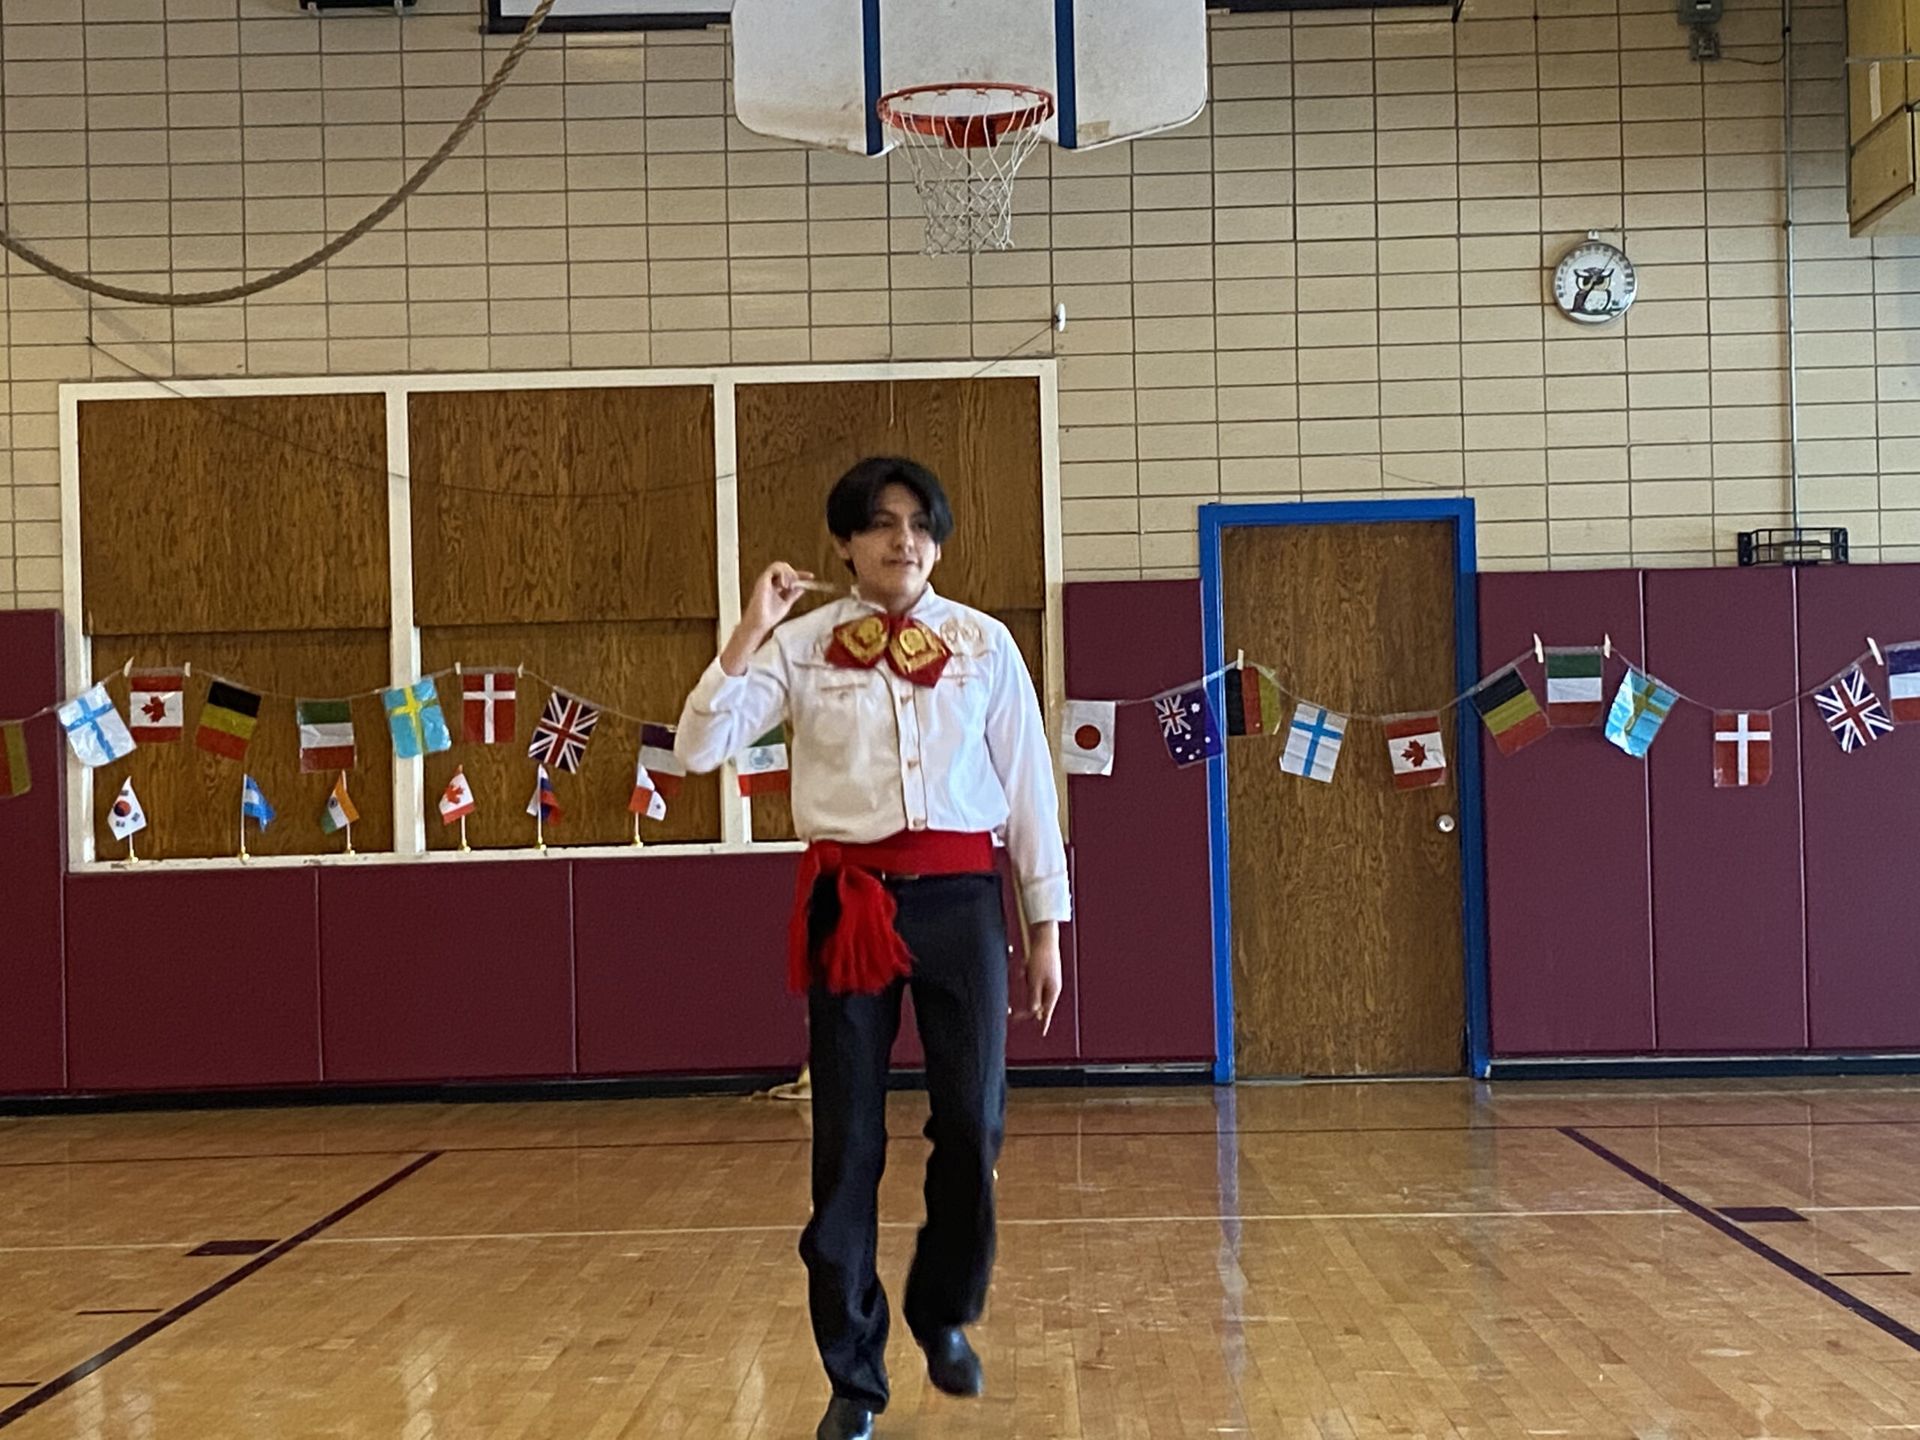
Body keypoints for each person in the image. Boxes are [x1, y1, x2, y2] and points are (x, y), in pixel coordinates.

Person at [675, 456, 1070, 1440]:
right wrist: (749, 631)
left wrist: (1045, 925)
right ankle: (853, 1376)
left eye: (922, 526)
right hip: (847, 902)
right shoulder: (802, 646)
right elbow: (696, 749)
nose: (906, 541)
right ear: (845, 542)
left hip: (962, 904)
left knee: (972, 1124)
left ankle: (942, 1313)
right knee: (847, 1143)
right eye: (884, 524)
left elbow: (1027, 788)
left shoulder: (982, 643)